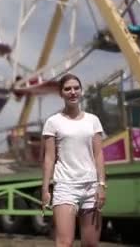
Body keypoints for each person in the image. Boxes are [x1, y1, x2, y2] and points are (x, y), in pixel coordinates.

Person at [41, 73, 107, 247]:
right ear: (61, 93)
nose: (72, 92)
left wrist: (101, 185)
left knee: (91, 244)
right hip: (65, 185)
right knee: (65, 242)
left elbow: (99, 154)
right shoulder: (52, 122)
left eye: (76, 88)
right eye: (67, 89)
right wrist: (45, 188)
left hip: (90, 186)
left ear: (81, 91)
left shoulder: (93, 121)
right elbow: (49, 158)